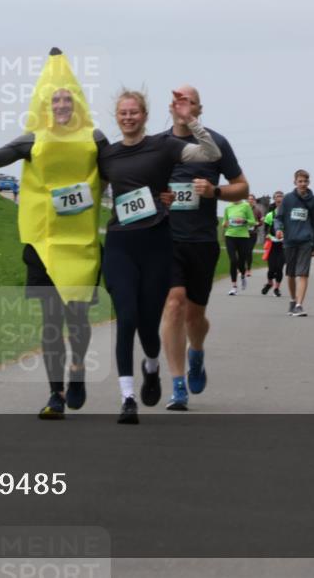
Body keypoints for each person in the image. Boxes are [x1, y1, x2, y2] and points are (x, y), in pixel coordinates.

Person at [0, 48, 105, 420]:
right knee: (51, 321)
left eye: (67, 99)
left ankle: (77, 368)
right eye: (54, 100)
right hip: (43, 243)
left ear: (77, 103)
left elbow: (121, 170)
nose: (61, 105)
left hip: (80, 245)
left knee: (77, 319)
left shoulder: (95, 138)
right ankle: (55, 394)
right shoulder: (31, 139)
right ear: (45, 106)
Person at [98, 89, 221, 424]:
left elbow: (210, 153)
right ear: (116, 117)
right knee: (126, 318)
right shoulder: (107, 155)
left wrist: (190, 120)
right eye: (123, 113)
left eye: (134, 112)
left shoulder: (163, 146)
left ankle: (152, 367)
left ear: (145, 115)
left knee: (148, 325)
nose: (128, 117)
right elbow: (88, 186)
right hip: (120, 243)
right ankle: (127, 398)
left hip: (155, 244)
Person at [157, 85, 248, 411]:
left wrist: (214, 192)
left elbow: (242, 187)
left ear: (199, 109)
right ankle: (177, 385)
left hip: (202, 242)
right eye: (177, 100)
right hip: (167, 239)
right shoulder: (158, 145)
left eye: (189, 101)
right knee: (173, 304)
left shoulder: (216, 143)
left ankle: (196, 352)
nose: (182, 105)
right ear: (170, 107)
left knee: (195, 317)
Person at [274, 170, 314, 317]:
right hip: (289, 241)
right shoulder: (288, 199)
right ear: (295, 182)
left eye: (305, 181)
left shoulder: (313, 200)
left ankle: (299, 305)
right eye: (300, 181)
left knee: (303, 273)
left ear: (309, 182)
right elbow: (278, 218)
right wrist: (278, 229)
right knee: (291, 274)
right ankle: (293, 301)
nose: (303, 184)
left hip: (306, 241)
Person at [221, 198, 256, 295]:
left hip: (243, 237)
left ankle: (243, 276)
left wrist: (244, 221)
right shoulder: (228, 207)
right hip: (230, 236)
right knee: (233, 261)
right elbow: (224, 223)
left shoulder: (246, 206)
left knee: (241, 262)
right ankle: (234, 287)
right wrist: (225, 224)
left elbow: (253, 222)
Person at [261, 190, 286, 297]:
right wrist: (267, 235)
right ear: (274, 199)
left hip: (283, 245)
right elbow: (265, 229)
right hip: (272, 244)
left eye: (281, 196)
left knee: (279, 268)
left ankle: (277, 288)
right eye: (277, 196)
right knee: (271, 268)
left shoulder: (288, 214)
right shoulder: (270, 215)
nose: (279, 198)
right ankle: (269, 283)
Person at [245, 193, 263, 278]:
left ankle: (248, 269)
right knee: (242, 251)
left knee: (249, 251)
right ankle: (241, 268)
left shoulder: (257, 211)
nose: (250, 201)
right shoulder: (243, 209)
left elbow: (261, 222)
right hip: (242, 233)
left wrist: (257, 223)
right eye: (249, 199)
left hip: (253, 233)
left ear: (254, 201)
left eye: (252, 199)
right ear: (246, 200)